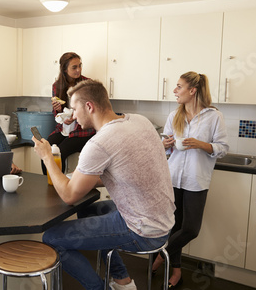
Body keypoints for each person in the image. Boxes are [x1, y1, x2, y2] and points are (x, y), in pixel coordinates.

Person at [33, 79, 175, 290]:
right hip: (162, 219)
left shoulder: (100, 142)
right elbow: (125, 173)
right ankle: (122, 281)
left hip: (142, 230)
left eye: (74, 109)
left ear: (89, 106)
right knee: (88, 212)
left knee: (52, 238)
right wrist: (81, 179)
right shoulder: (139, 121)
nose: (72, 116)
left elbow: (69, 196)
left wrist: (46, 156)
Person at [152, 71, 228, 288]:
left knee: (190, 229)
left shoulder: (214, 116)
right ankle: (175, 272)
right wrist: (164, 145)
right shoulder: (174, 115)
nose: (175, 91)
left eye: (179, 87)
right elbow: (165, 146)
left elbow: (223, 148)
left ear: (192, 90)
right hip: (173, 177)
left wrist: (202, 144)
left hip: (197, 180)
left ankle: (160, 254)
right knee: (174, 228)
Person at [41, 52, 95, 175]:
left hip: (82, 131)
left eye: (80, 66)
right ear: (64, 69)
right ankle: (48, 182)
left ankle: (61, 185)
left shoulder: (88, 85)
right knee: (46, 147)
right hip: (63, 129)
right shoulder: (57, 86)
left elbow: (92, 110)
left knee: (60, 151)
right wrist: (59, 112)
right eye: (74, 67)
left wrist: (75, 117)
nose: (79, 70)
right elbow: (56, 114)